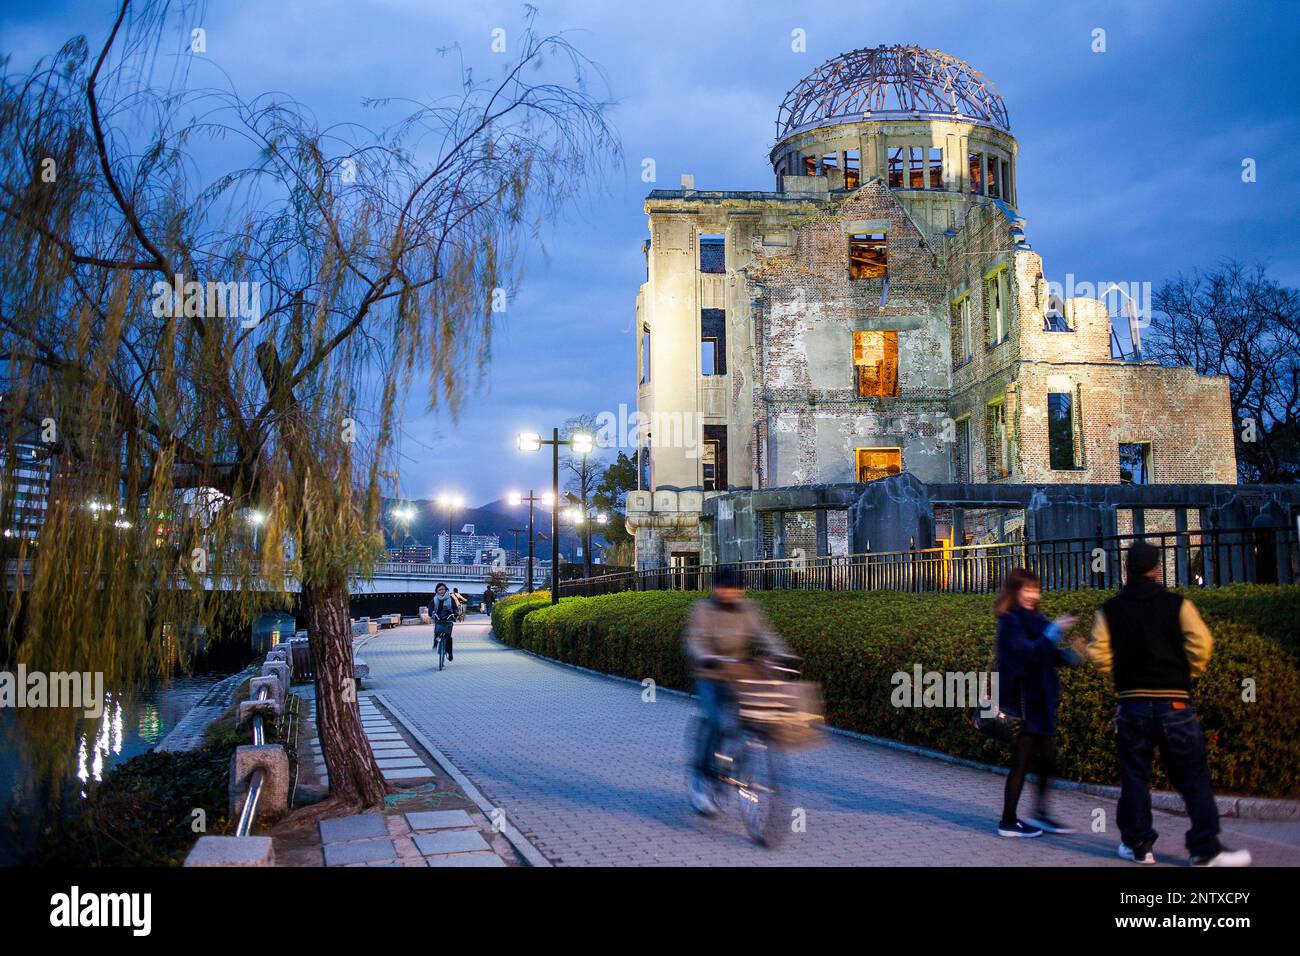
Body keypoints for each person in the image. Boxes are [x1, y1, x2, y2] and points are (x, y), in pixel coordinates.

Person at [1087, 542, 1251, 867]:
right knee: (1192, 776)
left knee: (1135, 776)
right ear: (1157, 569)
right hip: (1173, 702)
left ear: (1126, 570)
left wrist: (1119, 680)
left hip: (1131, 703)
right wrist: (1186, 674)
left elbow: (1098, 652)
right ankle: (1204, 849)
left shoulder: (1110, 609)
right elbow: (1202, 644)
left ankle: (1138, 846)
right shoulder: (1178, 604)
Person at [682, 564, 794, 816]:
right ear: (715, 588)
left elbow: (765, 634)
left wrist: (782, 654)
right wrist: (705, 657)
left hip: (738, 675)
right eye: (724, 588)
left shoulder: (748, 610)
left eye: (734, 588)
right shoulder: (703, 609)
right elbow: (694, 640)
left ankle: (736, 761)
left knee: (749, 720)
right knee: (714, 720)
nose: (729, 593)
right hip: (710, 674)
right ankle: (701, 778)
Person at [994, 568, 1081, 838]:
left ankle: (1041, 814)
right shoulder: (1010, 622)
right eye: (1027, 589)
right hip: (1022, 704)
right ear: (1015, 591)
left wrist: (1073, 656)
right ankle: (1008, 821)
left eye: (1036, 589)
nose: (1033, 594)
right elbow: (1029, 653)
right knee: (1021, 762)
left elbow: (1048, 655)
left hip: (1040, 703)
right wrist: (1054, 631)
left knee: (1047, 759)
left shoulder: (1037, 619)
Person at [431, 582, 457, 665]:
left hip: (448, 618)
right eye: (439, 590)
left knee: (448, 637)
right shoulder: (434, 599)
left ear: (446, 590)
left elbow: (455, 608)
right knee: (437, 632)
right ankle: (436, 642)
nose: (441, 591)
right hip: (438, 618)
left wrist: (455, 614)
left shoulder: (450, 598)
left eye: (443, 589)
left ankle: (449, 652)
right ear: (437, 591)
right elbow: (430, 608)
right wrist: (431, 613)